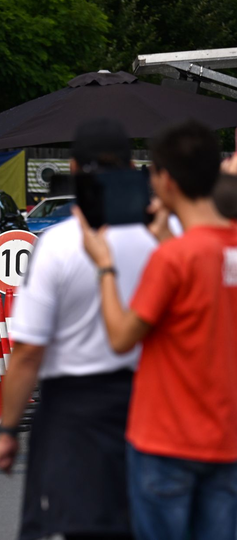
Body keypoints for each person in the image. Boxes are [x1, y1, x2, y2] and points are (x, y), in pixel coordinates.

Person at [0, 119, 157, 540]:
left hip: (72, 412)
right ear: (131, 167)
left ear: (73, 169)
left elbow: (28, 352)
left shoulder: (58, 245)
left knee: (70, 523)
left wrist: (9, 430)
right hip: (147, 405)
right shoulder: (159, 243)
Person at [76, 120, 237, 540]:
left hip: (167, 440)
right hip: (227, 438)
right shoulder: (222, 247)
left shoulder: (173, 260)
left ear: (164, 180)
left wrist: (106, 266)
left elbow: (122, 336)